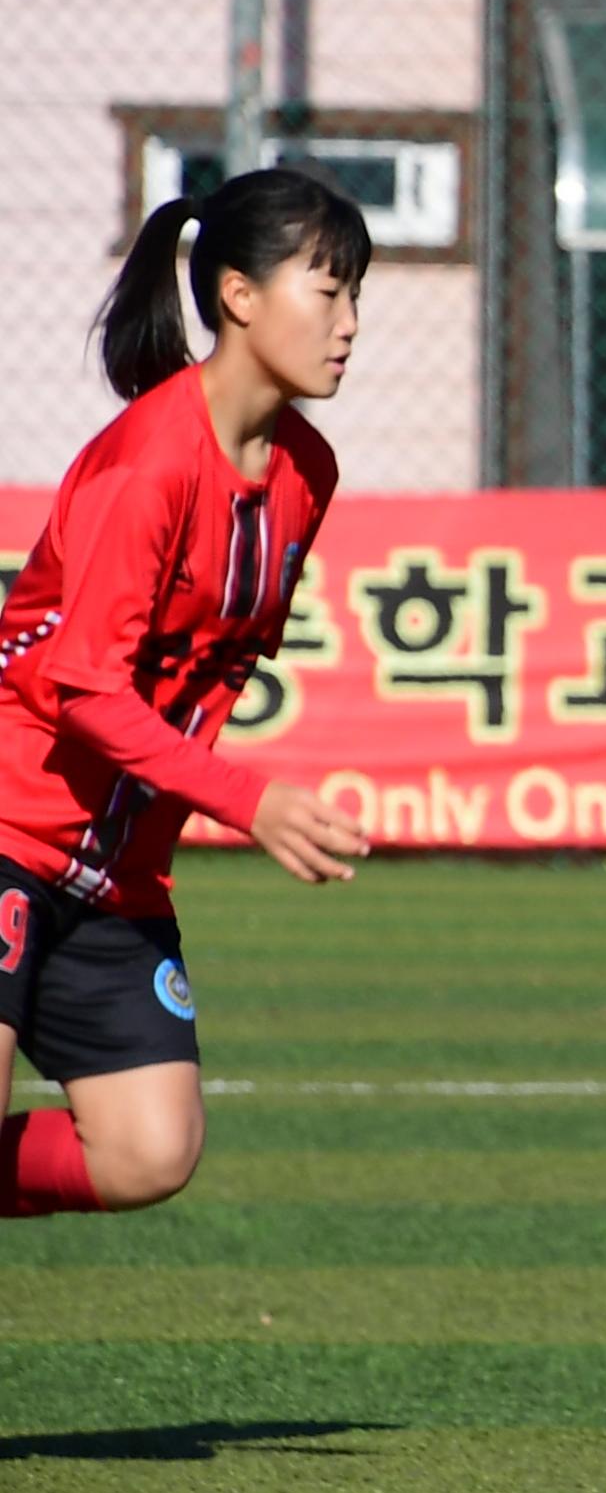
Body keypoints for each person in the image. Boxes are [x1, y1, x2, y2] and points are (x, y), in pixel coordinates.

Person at [3, 171, 373, 1226]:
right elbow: (82, 688)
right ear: (239, 296)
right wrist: (247, 799)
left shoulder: (308, 470)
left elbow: (205, 670)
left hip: (115, 869)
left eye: (357, 299)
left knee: (148, 1150)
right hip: (9, 822)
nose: (349, 325)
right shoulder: (151, 461)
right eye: (328, 292)